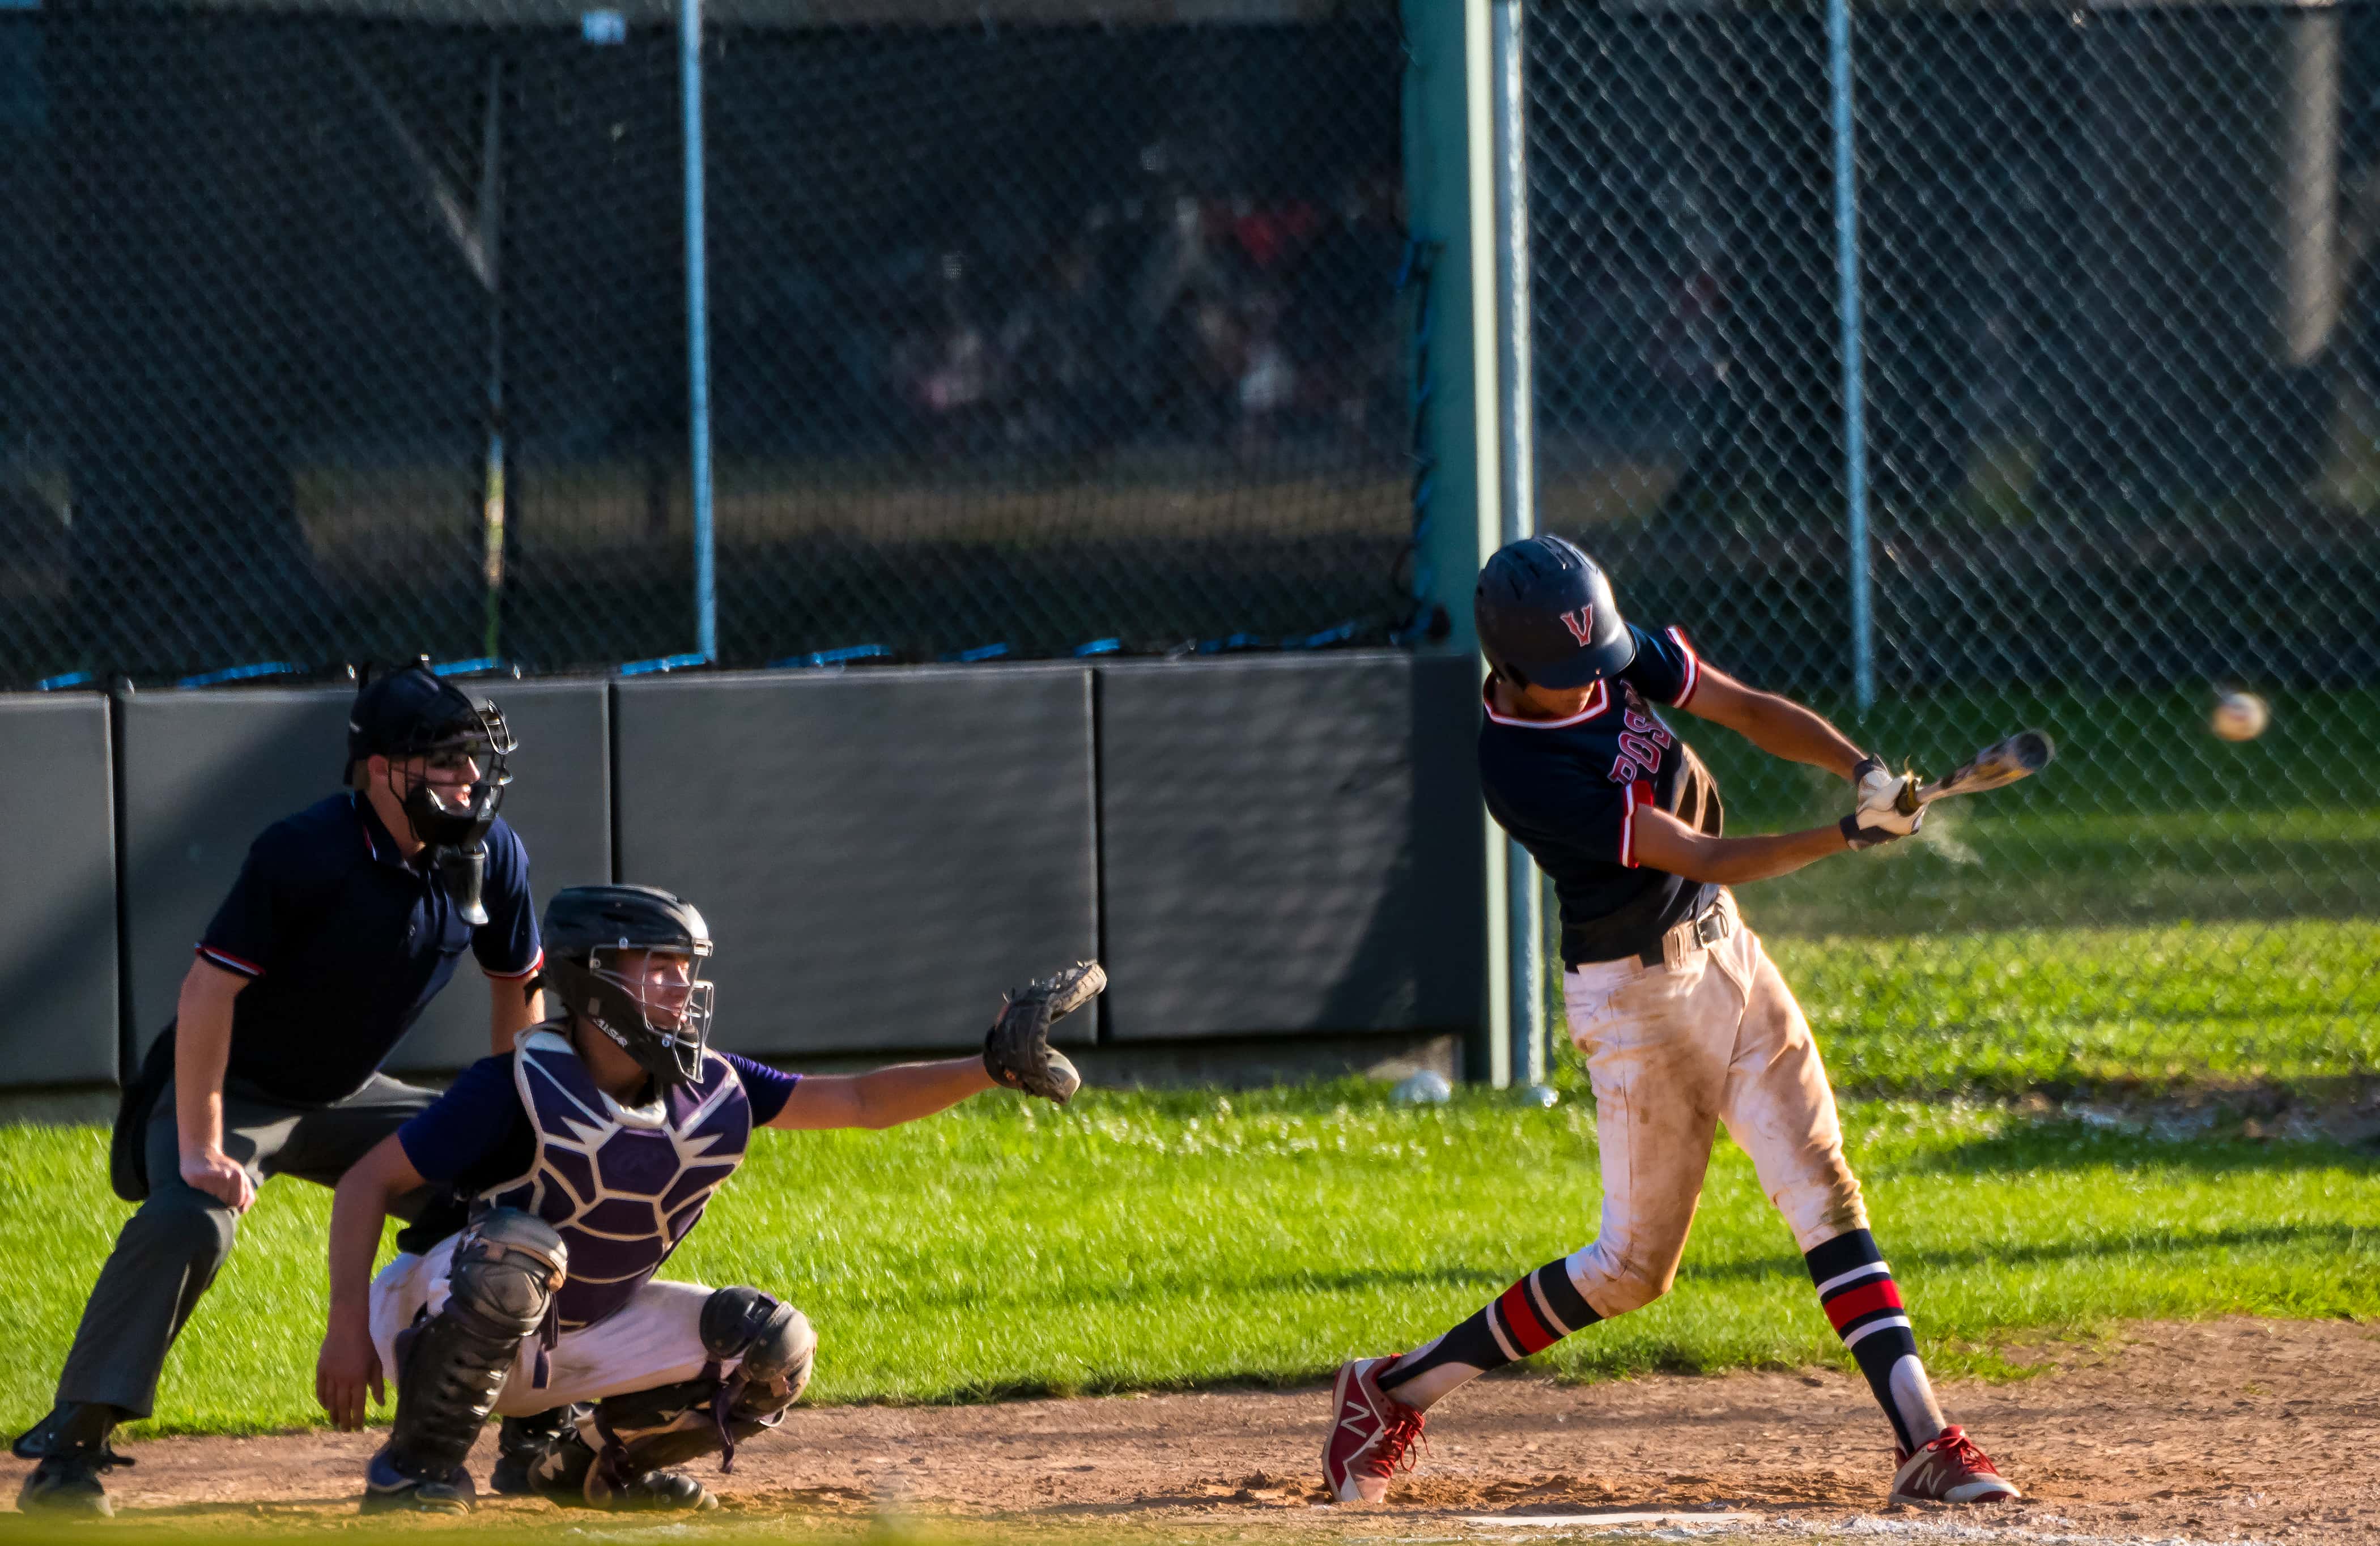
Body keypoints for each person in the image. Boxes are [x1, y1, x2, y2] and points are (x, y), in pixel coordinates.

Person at [1321, 535, 2020, 1509]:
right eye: (1568, 671)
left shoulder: (1599, 651)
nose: (1593, 679)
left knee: (1824, 1188)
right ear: (1510, 670)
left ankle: (1926, 1439)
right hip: (1637, 1003)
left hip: (1727, 951)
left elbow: (1743, 708)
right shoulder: (1520, 765)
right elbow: (1698, 852)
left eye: (1597, 657)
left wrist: (1859, 768)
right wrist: (1846, 835)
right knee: (1631, 1270)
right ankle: (1394, 1388)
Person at [314, 884, 1099, 1514]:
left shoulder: (711, 1084)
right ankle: (416, 1468)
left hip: (578, 1338)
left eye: (685, 965)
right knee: (520, 1252)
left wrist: (987, 1067)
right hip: (438, 1315)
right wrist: (346, 1326)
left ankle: (585, 1466)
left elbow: (859, 1100)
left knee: (774, 1345)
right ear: (592, 978)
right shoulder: (514, 1085)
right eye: (658, 964)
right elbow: (366, 1181)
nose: (682, 984)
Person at [11, 663, 545, 1517]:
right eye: (446, 761)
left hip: (349, 1092)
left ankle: (532, 1433)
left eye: (474, 759)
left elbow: (518, 988)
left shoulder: (493, 852)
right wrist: (201, 1146)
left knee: (523, 1184)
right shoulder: (306, 850)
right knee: (191, 1218)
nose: (470, 777)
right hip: (231, 1087)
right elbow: (206, 994)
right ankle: (70, 1450)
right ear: (382, 771)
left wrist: (523, 1120)